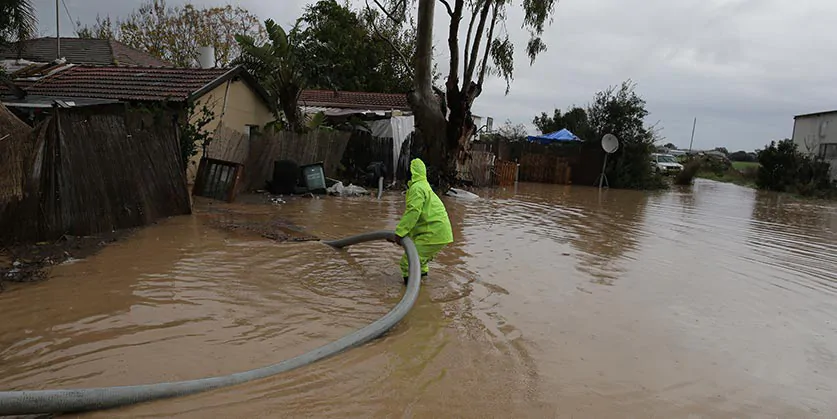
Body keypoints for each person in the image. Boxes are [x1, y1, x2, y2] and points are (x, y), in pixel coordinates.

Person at [390, 158, 453, 285]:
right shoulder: (424, 186)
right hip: (439, 233)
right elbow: (421, 217)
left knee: (408, 262)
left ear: (412, 173)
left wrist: (399, 233)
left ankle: (411, 295)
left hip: (433, 233)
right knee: (420, 262)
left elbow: (413, 212)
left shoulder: (417, 188)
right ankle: (423, 290)